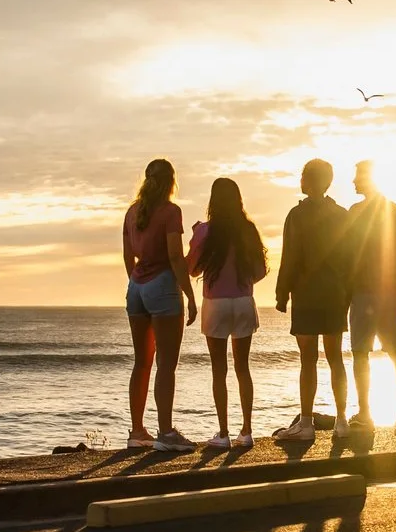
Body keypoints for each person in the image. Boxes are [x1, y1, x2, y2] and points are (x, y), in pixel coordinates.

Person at [272, 157, 351, 445]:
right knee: (335, 359)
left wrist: (282, 293)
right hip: (333, 293)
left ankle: (306, 423)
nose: (300, 180)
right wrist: (347, 292)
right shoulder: (341, 214)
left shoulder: (297, 215)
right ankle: (342, 420)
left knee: (308, 359)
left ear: (309, 180)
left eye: (303, 175)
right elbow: (350, 258)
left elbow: (290, 256)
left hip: (306, 293)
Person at [186, 177, 268, 451]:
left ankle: (223, 432)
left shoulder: (206, 231)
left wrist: (194, 238)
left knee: (218, 370)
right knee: (243, 368)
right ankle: (246, 430)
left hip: (216, 304)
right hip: (243, 301)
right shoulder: (247, 229)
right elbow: (260, 270)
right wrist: (242, 281)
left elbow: (192, 269)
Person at [121, 158, 196, 451]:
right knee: (166, 364)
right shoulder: (170, 211)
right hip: (162, 286)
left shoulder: (131, 212)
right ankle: (165, 433)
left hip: (136, 287)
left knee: (142, 362)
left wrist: (137, 282)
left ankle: (137, 431)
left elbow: (128, 256)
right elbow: (176, 256)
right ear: (171, 181)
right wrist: (189, 294)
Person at [345, 160, 396, 432]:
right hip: (391, 291)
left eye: (357, 176)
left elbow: (348, 255)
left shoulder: (356, 213)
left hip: (364, 291)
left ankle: (365, 414)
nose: (353, 181)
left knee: (360, 352)